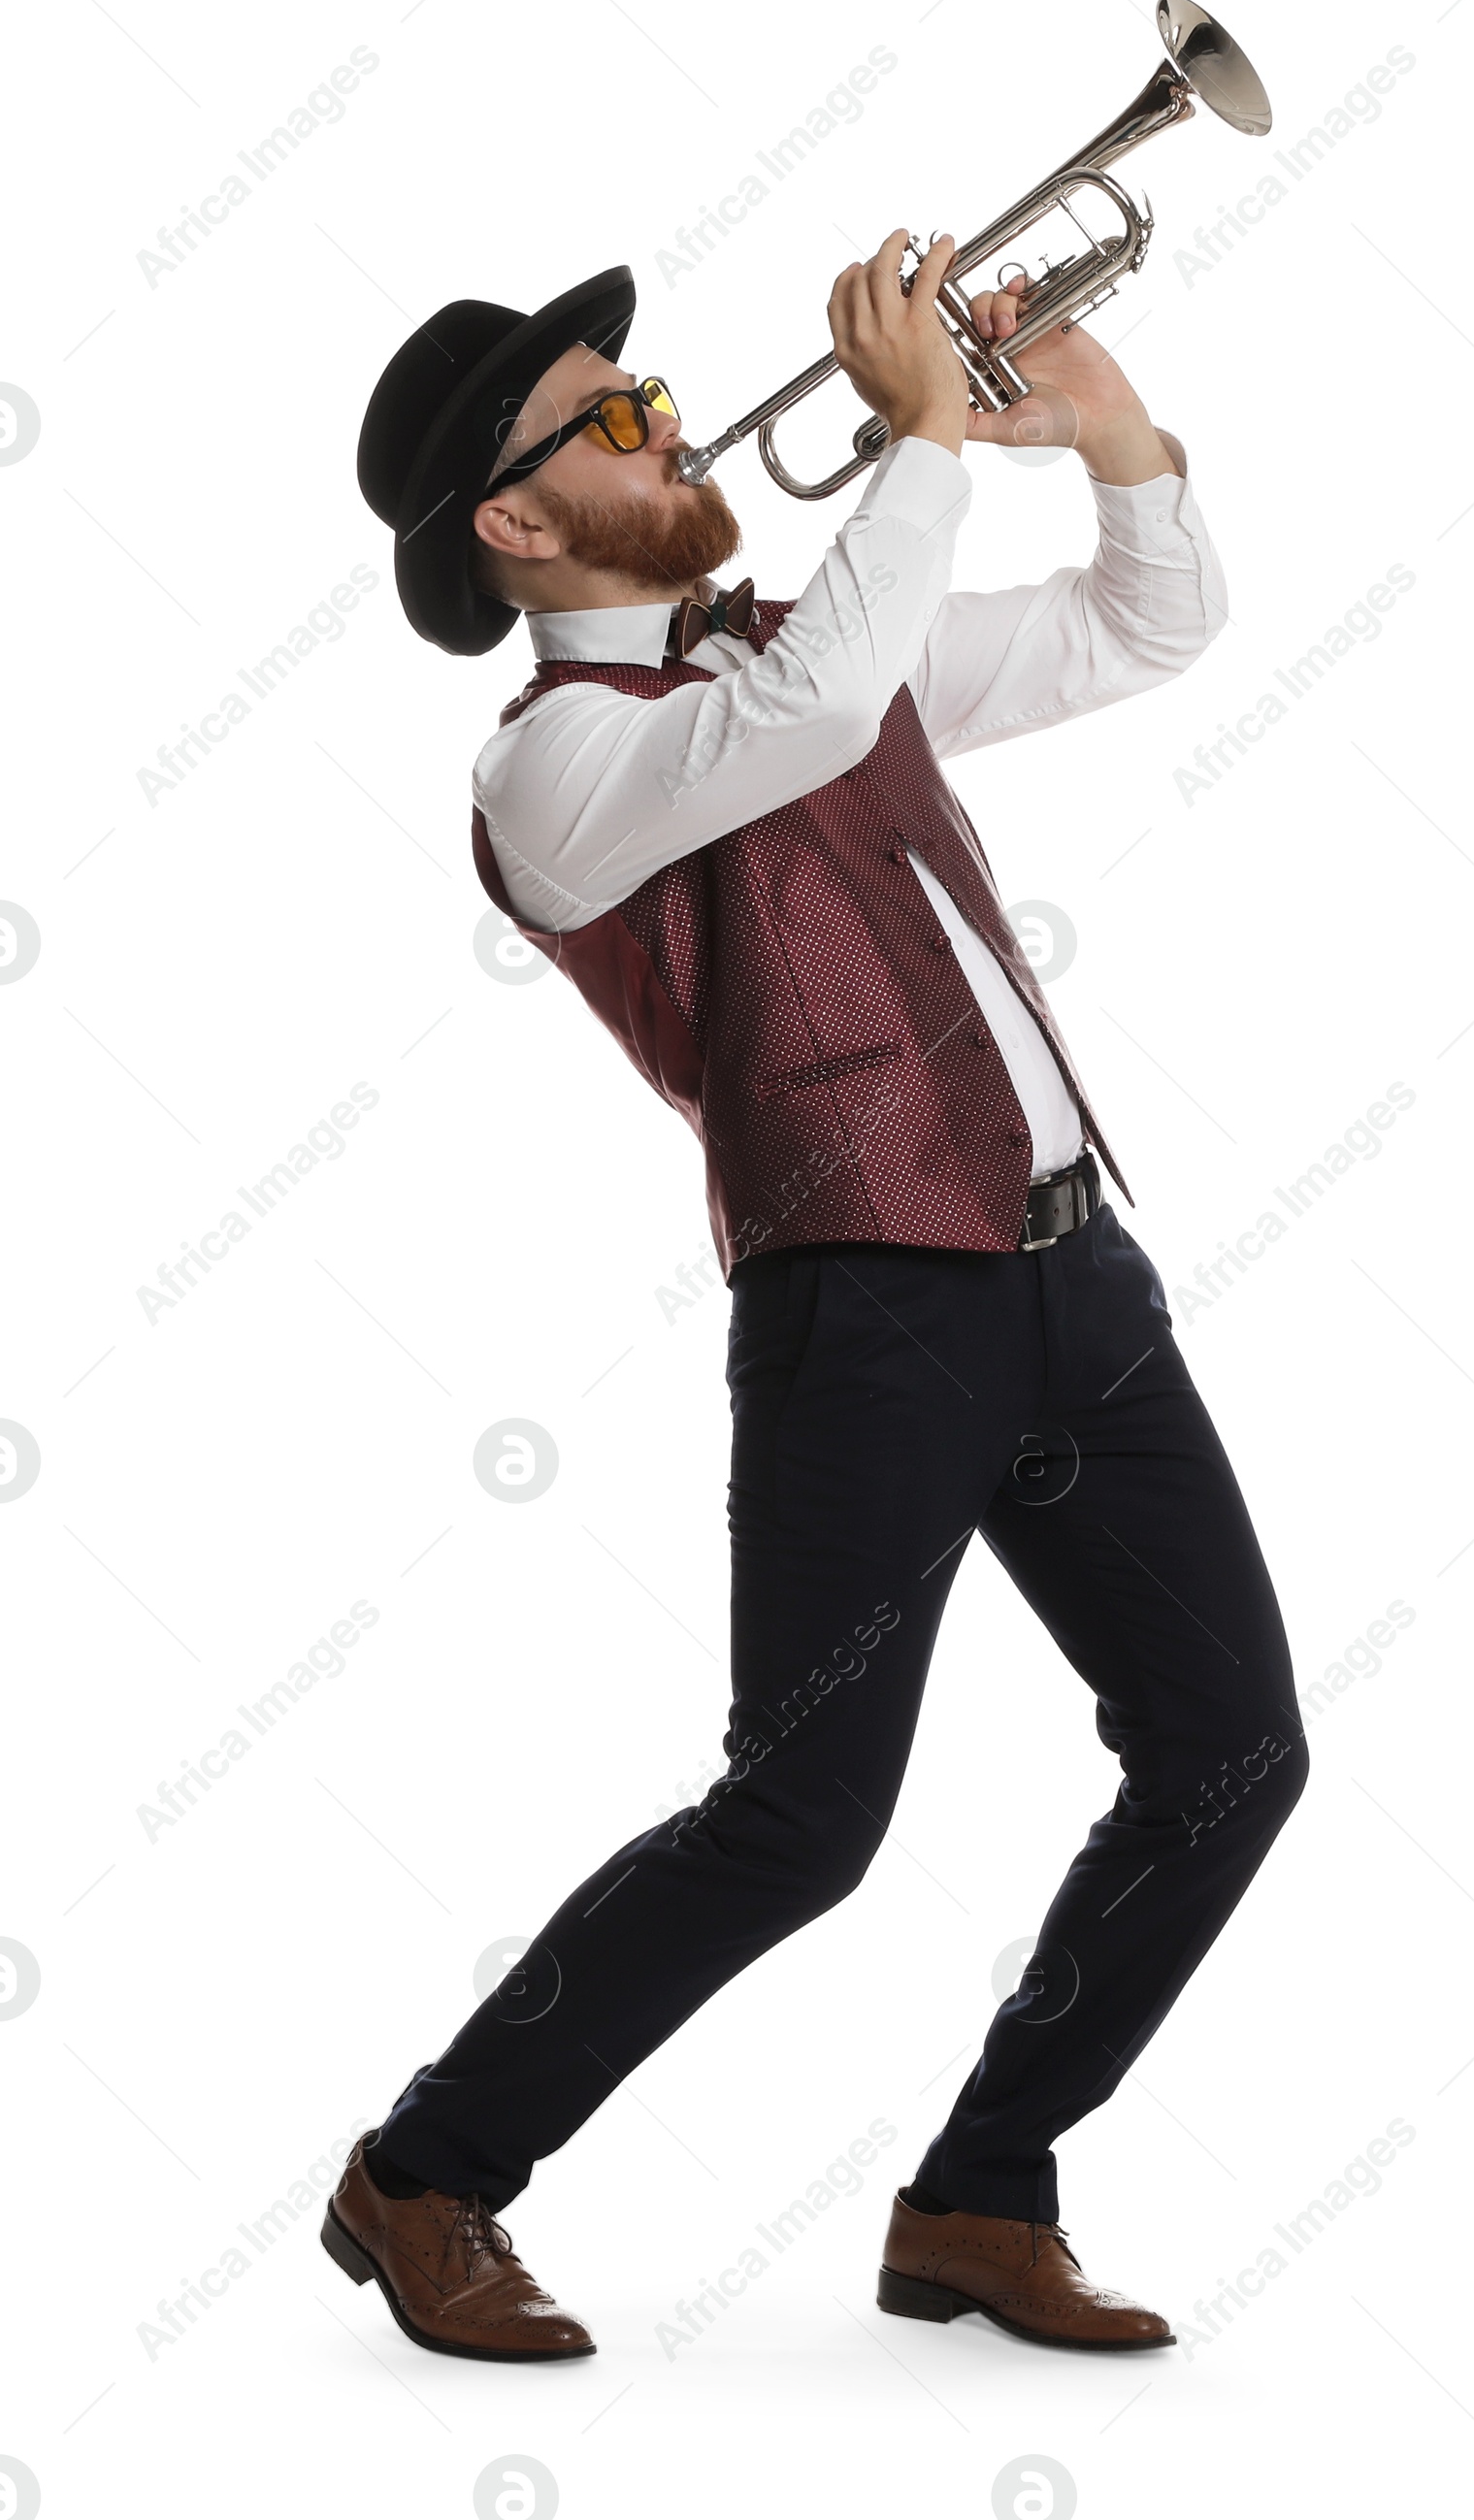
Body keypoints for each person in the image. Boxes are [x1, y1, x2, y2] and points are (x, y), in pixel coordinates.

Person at [326, 235, 1307, 2362]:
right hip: (866, 1307)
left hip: (1077, 1273)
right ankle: (423, 2169)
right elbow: (797, 715)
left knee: (1232, 1747)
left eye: (647, 387)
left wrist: (1110, 437)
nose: (669, 415)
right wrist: (930, 439)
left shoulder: (809, 643)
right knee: (800, 1821)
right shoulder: (550, 771)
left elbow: (1150, 620)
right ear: (511, 523)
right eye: (610, 413)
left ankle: (973, 2193)